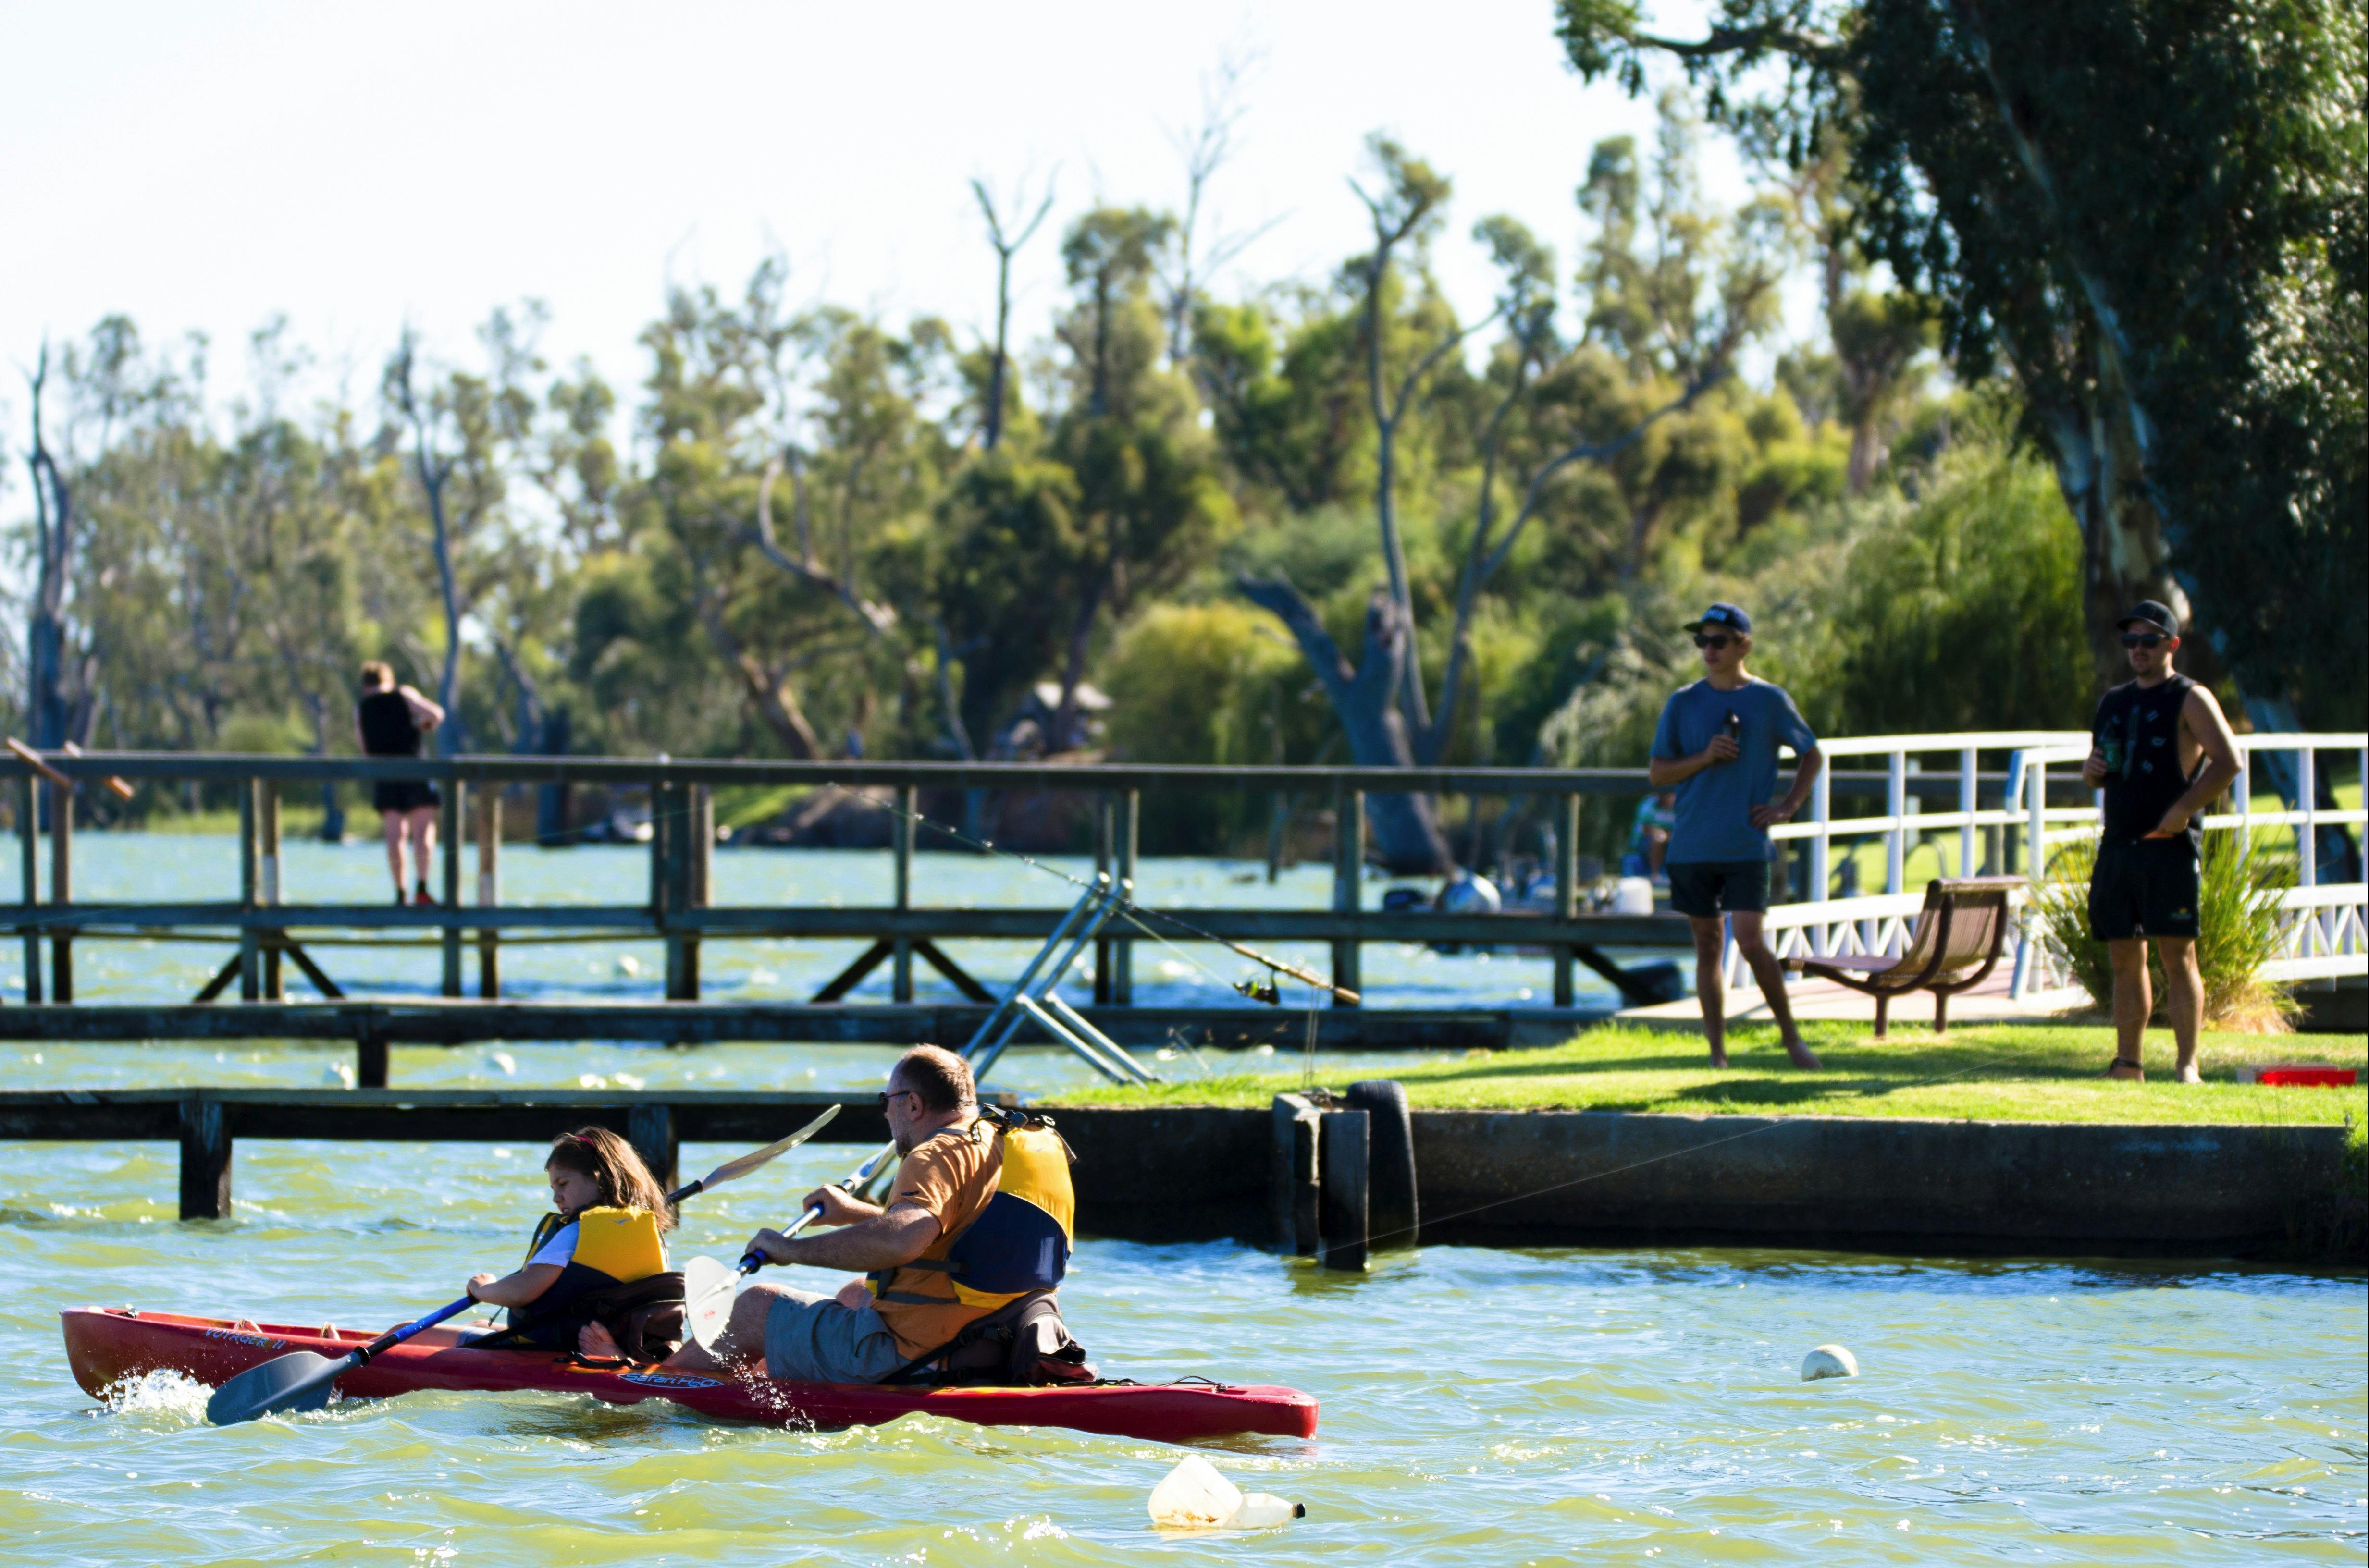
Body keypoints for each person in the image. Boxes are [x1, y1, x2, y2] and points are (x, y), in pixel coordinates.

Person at [666, 1044, 1075, 1385]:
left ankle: (655, 1386)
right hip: (996, 1337)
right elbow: (949, 1239)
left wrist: (790, 1249)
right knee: (855, 1293)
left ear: (913, 1104)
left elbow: (903, 1239)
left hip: (920, 1353)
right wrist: (853, 1213)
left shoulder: (934, 1155)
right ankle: (759, 1379)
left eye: (887, 1102)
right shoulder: (1003, 1139)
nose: (885, 1114)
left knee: (757, 1305)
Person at [1647, 603, 1825, 1070]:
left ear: (1743, 644)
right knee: (1707, 945)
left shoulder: (1769, 701)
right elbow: (1657, 773)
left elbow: (1811, 754)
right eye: (1701, 641)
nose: (1708, 649)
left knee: (1749, 941)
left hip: (1746, 843)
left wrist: (1788, 806)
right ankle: (1717, 1055)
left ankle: (1792, 1042)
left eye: (1718, 641)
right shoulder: (1682, 702)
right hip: (1691, 845)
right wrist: (1704, 757)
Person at [2080, 600, 2240, 1083]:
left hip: (2167, 847)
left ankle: (2186, 1065)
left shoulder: (2190, 698)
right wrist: (2090, 774)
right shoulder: (2113, 701)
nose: (2138, 650)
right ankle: (2128, 1064)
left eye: (2148, 640)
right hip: (2118, 844)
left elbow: (2228, 761)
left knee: (2177, 956)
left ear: (2171, 644)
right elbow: (2101, 767)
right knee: (2125, 957)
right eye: (2130, 641)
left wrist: (2184, 810)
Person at [466, 1127, 679, 1360]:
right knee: (480, 1324)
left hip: (553, 1348)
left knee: (431, 1335)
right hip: (615, 1342)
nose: (556, 1198)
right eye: (553, 1188)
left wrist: (482, 1289)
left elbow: (521, 1291)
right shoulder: (651, 1232)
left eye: (563, 1184)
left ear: (601, 1178)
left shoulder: (575, 1232)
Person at [356, 662, 445, 906]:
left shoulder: (362, 708)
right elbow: (436, 714)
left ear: (365, 685)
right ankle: (423, 889)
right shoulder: (403, 695)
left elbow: (365, 750)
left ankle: (400, 893)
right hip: (414, 770)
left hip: (385, 774)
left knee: (395, 836)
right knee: (423, 832)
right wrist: (421, 725)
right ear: (389, 681)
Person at [1621, 791, 1678, 880]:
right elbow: (1646, 829)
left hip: (1671, 841)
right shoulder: (1649, 804)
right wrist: (1663, 834)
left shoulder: (1680, 805)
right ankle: (1655, 875)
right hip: (1644, 843)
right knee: (1658, 839)